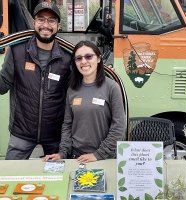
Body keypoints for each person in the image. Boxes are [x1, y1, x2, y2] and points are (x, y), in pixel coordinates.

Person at [0, 2, 71, 159]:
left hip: (55, 135)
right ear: (34, 22)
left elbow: (75, 91)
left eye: (51, 20)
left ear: (58, 25)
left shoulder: (67, 57)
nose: (46, 25)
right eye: (41, 19)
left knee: (58, 179)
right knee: (11, 176)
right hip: (21, 132)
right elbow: (3, 85)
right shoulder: (17, 50)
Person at [43, 40, 125, 163]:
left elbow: (119, 126)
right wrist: (62, 152)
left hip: (103, 159)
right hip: (77, 158)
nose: (84, 61)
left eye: (89, 56)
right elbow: (67, 125)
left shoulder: (111, 87)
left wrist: (98, 154)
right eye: (79, 58)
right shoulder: (72, 90)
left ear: (98, 59)